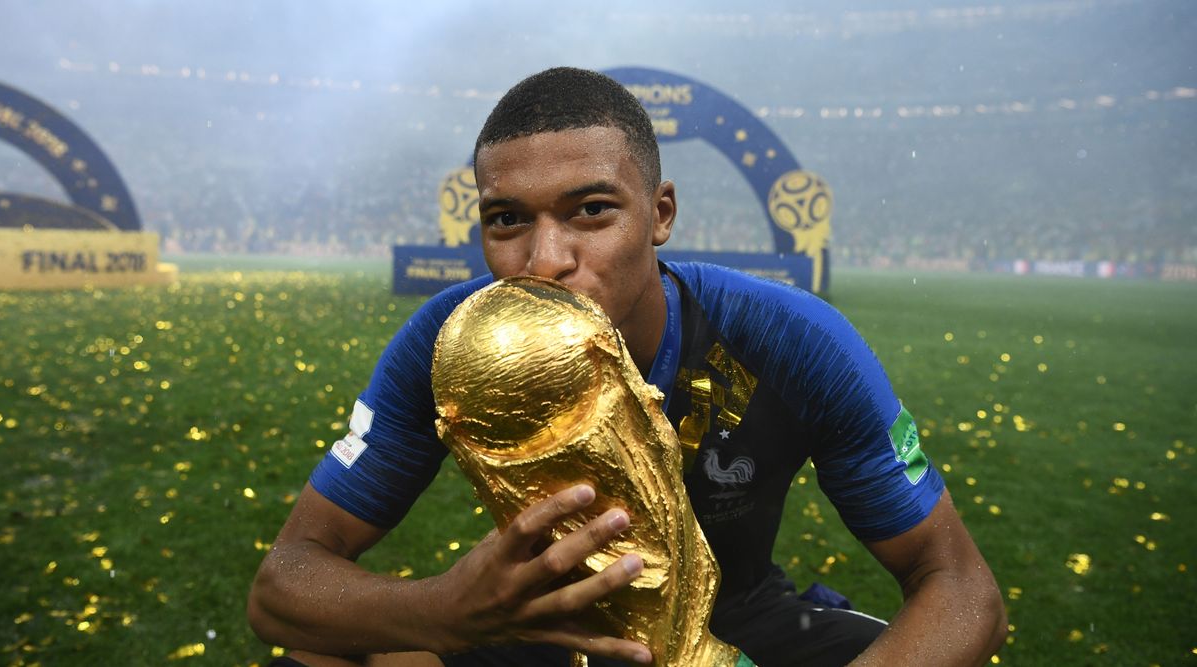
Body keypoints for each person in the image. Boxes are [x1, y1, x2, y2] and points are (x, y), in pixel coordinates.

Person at [248, 66, 1007, 667]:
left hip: (740, 616)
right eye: (507, 219)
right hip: (544, 624)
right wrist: (440, 608)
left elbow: (963, 587)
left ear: (661, 214)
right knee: (318, 653)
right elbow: (284, 583)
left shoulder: (786, 337)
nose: (546, 261)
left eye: (591, 210)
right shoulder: (447, 344)